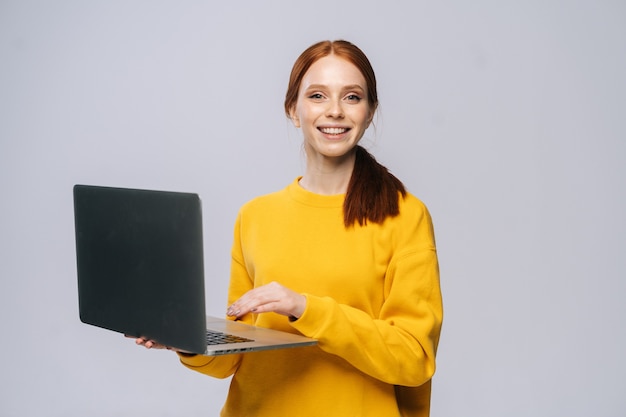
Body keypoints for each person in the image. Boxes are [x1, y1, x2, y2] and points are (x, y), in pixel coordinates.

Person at [136, 39, 443, 417]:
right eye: (317, 95)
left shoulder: (404, 215)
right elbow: (235, 356)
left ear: (370, 110)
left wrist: (305, 308)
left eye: (352, 97)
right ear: (293, 110)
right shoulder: (255, 216)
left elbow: (413, 359)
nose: (334, 111)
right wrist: (182, 339)